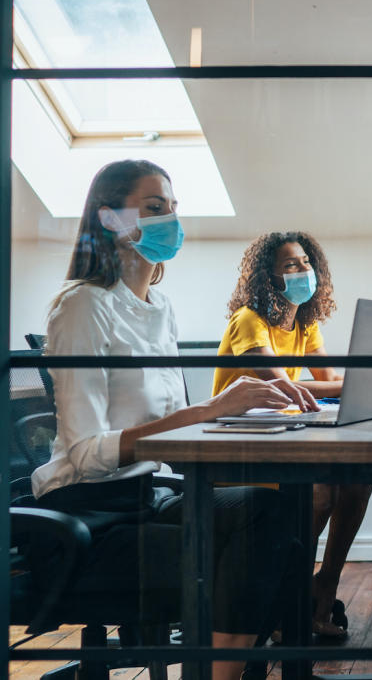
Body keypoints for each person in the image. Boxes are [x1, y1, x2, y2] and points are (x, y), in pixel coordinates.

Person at [32, 160, 312, 680]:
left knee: (279, 523)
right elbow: (86, 455)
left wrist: (237, 411)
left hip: (148, 496)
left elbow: (172, 425)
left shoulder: (159, 307)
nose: (171, 221)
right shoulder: (82, 307)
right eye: (155, 208)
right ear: (110, 219)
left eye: (173, 209)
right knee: (257, 542)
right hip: (91, 515)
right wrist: (211, 409)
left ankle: (216, 674)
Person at [213, 232, 368, 640]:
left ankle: (323, 586)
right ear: (269, 277)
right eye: (290, 265)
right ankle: (286, 602)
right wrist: (363, 383)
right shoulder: (248, 320)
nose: (303, 270)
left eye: (305, 262)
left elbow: (328, 381)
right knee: (318, 493)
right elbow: (282, 386)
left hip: (279, 437)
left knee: (356, 481)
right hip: (236, 447)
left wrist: (360, 384)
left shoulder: (305, 322)